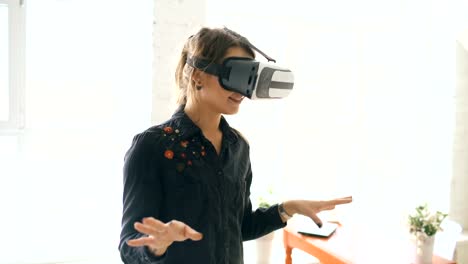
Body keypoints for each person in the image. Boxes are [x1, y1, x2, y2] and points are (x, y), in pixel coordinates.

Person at [118, 26, 352, 264]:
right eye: (237, 75)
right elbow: (129, 247)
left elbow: (239, 226)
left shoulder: (238, 147)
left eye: (250, 77)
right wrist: (156, 245)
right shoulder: (152, 147)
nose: (243, 90)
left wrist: (287, 208)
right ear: (197, 75)